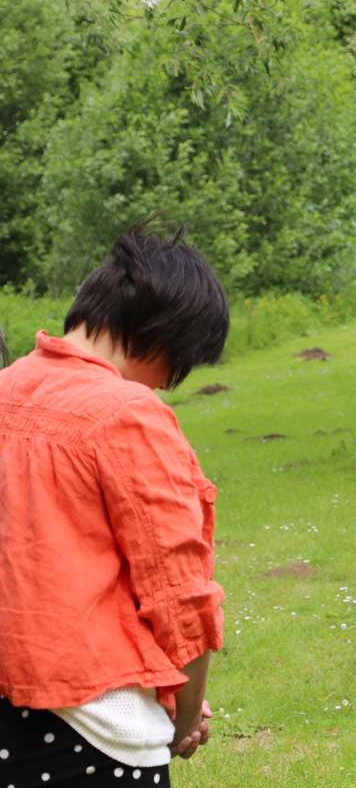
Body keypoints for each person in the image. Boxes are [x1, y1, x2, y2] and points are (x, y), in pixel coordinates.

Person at [0, 227, 229, 784]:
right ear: (162, 337)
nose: (170, 384)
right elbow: (182, 601)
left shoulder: (6, 387)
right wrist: (181, 713)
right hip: (96, 729)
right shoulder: (128, 413)